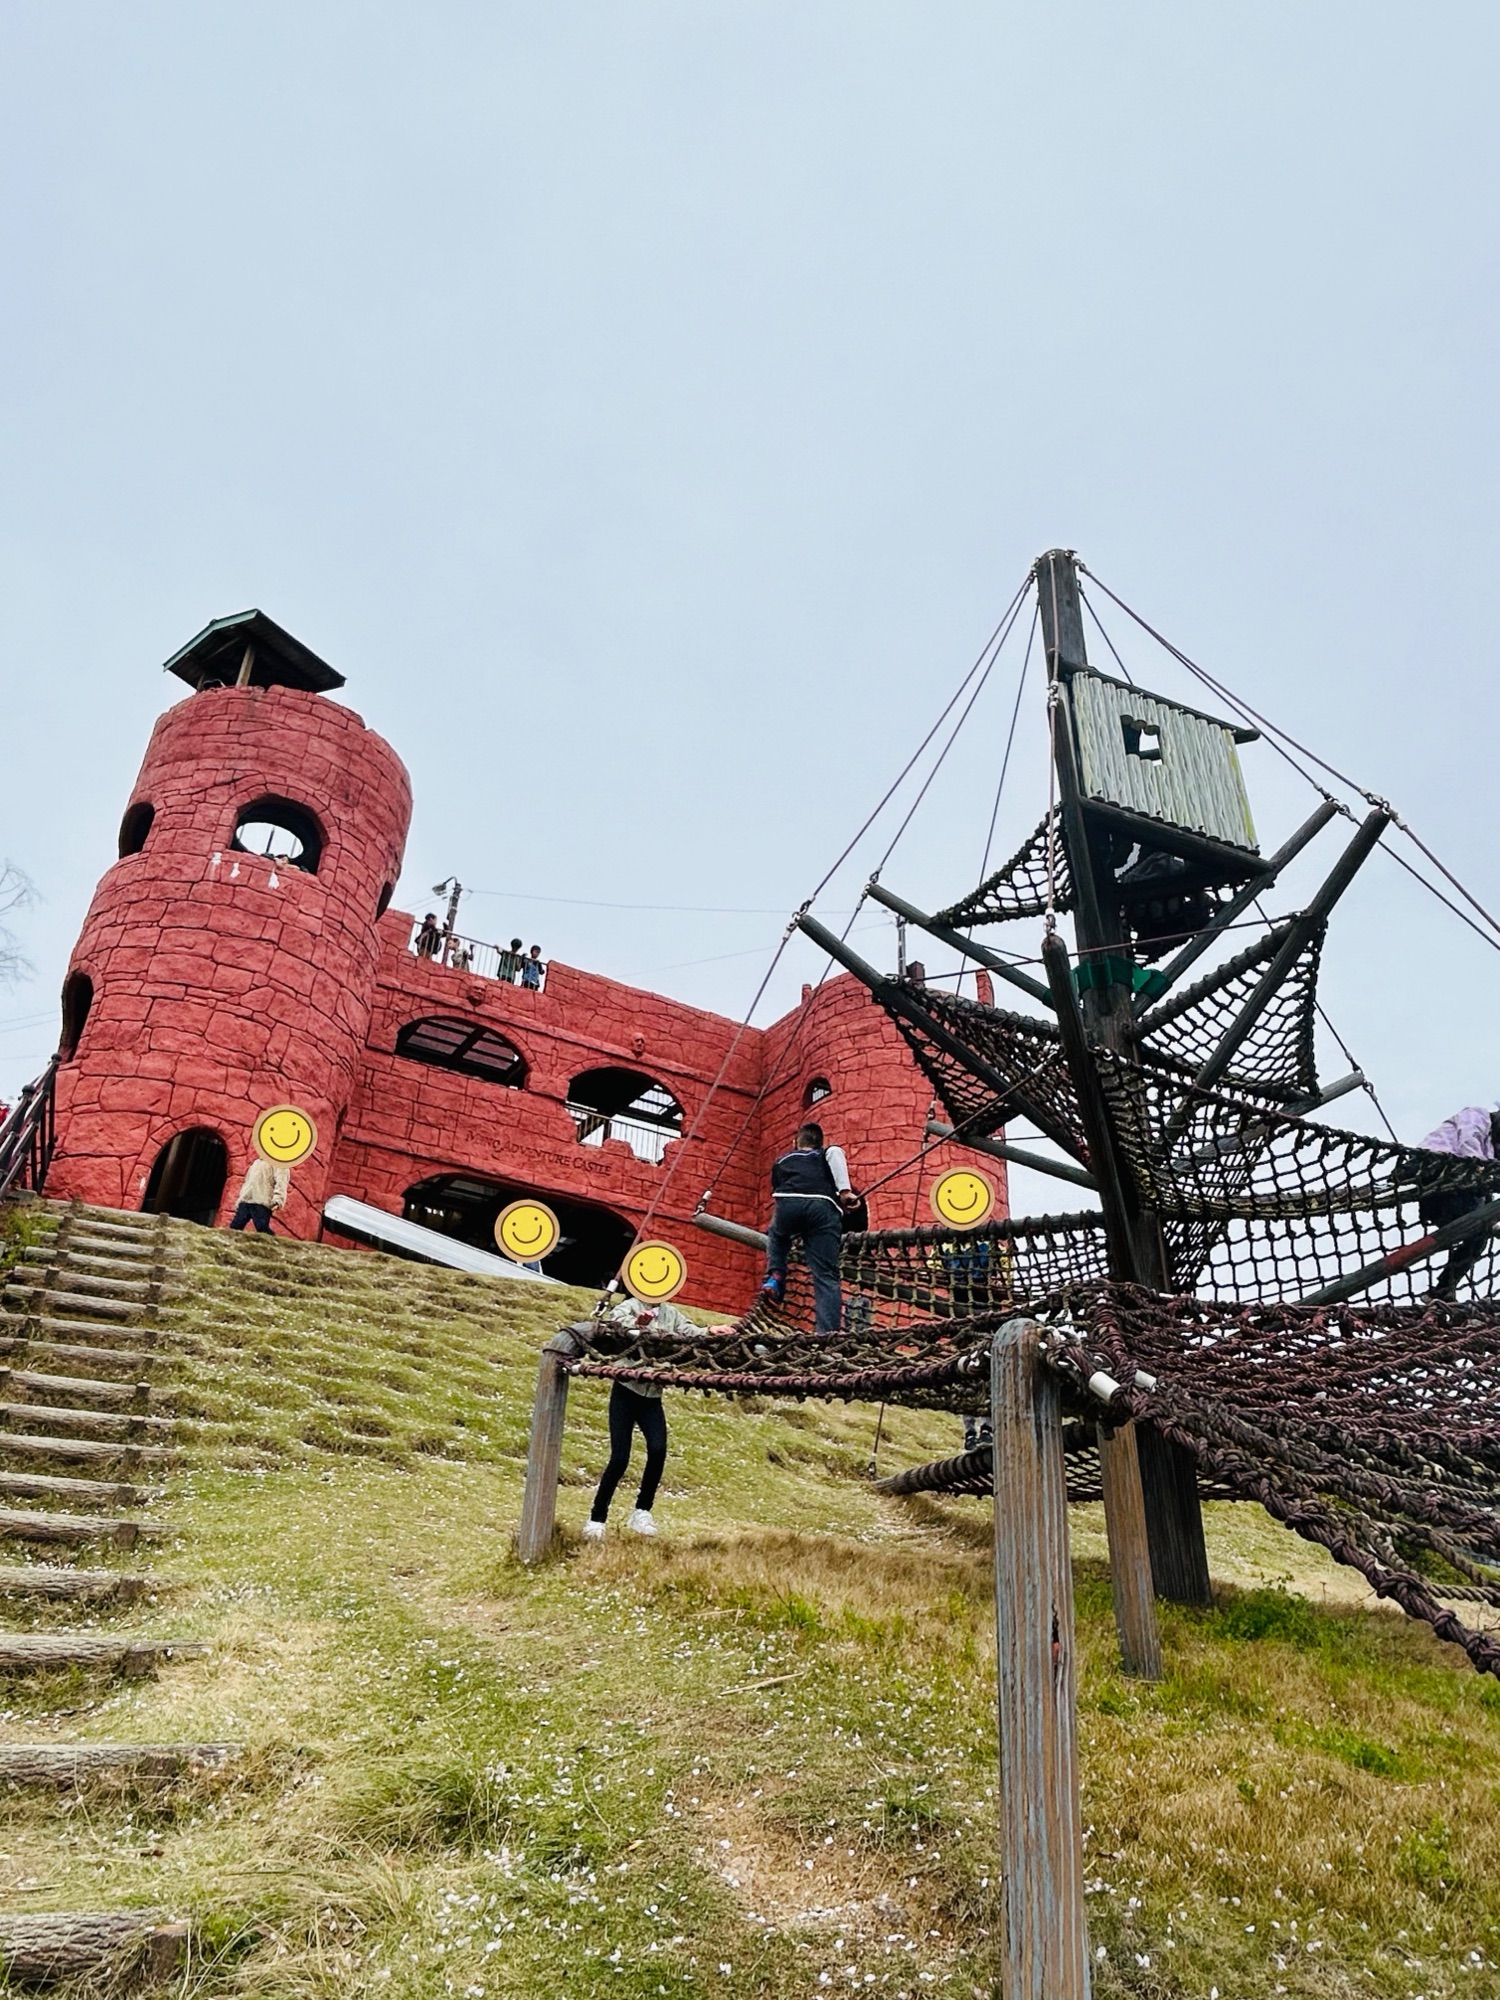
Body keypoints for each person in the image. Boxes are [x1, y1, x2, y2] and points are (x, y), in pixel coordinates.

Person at [581, 1296, 699, 1540]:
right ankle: (596, 1518)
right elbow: (616, 1322)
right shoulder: (630, 1305)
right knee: (620, 1458)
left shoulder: (670, 1313)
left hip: (652, 1395)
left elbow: (688, 1330)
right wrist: (637, 1322)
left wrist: (711, 1331)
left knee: (658, 1449)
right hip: (626, 1390)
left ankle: (642, 1511)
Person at [760, 1121, 860, 1331]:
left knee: (777, 1236)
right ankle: (827, 1334)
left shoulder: (782, 1160)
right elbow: (835, 1152)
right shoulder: (825, 1154)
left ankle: (776, 1274)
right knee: (826, 1275)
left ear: (796, 1142)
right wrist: (845, 1193)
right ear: (819, 1143)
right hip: (822, 1208)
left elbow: (779, 1187)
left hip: (788, 1204)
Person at [1413, 1104, 1500, 1298]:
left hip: (1457, 1192)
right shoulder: (1478, 1115)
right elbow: (1469, 1143)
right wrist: (1487, 1171)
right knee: (1481, 1219)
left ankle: (1444, 1289)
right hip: (1432, 1170)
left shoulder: (1492, 1148)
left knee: (1479, 1236)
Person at [228, 1154, 290, 1234]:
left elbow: (281, 1182)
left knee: (262, 1227)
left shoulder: (279, 1163)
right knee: (235, 1226)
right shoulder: (256, 1163)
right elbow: (248, 1182)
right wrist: (240, 1199)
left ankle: (272, 1243)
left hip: (262, 1201)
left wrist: (278, 1199)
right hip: (247, 1200)